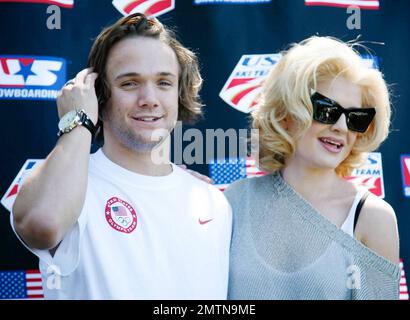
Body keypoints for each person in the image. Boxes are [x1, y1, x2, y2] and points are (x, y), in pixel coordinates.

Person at [11, 13, 231, 299]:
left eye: (164, 83)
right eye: (129, 83)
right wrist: (78, 120)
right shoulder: (69, 187)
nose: (149, 98)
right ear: (99, 96)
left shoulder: (213, 200)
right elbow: (42, 224)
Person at [224, 36, 400, 300]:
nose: (341, 127)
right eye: (326, 110)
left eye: (355, 118)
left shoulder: (373, 218)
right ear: (287, 112)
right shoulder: (233, 201)